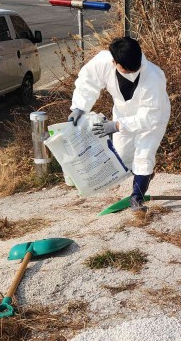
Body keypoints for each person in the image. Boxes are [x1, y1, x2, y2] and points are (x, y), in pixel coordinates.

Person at [68, 37, 171, 211]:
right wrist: (79, 107)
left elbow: (149, 117)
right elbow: (88, 82)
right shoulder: (103, 62)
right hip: (123, 114)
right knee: (122, 156)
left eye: (134, 68)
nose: (131, 72)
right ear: (114, 62)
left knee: (144, 155)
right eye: (126, 69)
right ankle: (146, 175)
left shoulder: (154, 76)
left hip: (153, 118)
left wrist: (116, 126)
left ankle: (137, 197)